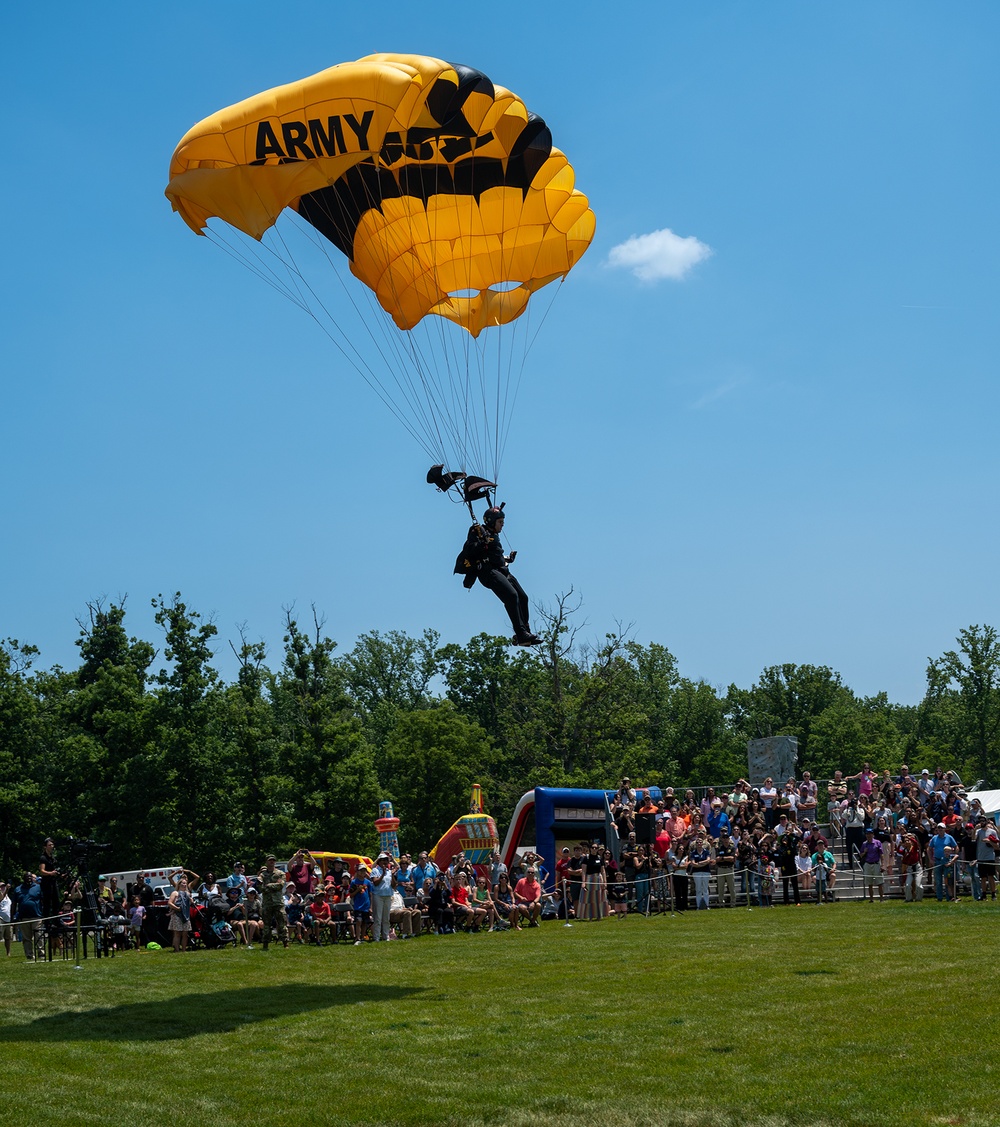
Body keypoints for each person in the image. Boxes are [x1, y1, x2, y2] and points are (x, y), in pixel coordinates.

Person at [459, 505, 541, 645]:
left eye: (503, 522)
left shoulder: (494, 535)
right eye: (500, 522)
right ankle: (521, 634)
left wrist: (508, 559)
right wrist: (481, 542)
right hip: (488, 572)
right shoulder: (478, 531)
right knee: (511, 596)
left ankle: (524, 632)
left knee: (522, 597)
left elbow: (494, 554)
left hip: (501, 570)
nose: (502, 525)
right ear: (491, 521)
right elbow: (469, 550)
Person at [258, 855, 289, 949]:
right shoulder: (262, 875)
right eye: (270, 861)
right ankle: (265, 943)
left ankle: (285, 942)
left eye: (273, 861)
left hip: (278, 903)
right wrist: (272, 886)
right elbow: (261, 888)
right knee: (266, 924)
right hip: (267, 903)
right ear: (266, 862)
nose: (272, 862)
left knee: (282, 923)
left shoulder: (280, 873)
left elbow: (280, 885)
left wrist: (268, 885)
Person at [369, 852, 396, 941]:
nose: (384, 862)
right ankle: (376, 937)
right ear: (379, 861)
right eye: (383, 860)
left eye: (386, 860)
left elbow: (393, 885)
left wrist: (391, 875)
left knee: (386, 918)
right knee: (377, 918)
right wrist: (383, 874)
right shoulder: (375, 871)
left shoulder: (389, 871)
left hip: (387, 895)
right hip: (378, 896)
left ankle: (385, 936)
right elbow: (376, 883)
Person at [928, 823, 958, 902]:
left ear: (945, 829)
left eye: (941, 828)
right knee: (938, 880)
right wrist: (930, 859)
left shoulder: (949, 837)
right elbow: (929, 848)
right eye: (939, 828)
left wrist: (953, 856)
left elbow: (956, 846)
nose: (940, 830)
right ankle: (939, 897)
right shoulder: (934, 838)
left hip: (947, 861)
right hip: (937, 861)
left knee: (947, 880)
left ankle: (949, 897)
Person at [167, 876, 194, 952]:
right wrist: (176, 908)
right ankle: (177, 950)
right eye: (182, 883)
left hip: (186, 915)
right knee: (177, 933)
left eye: (185, 883)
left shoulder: (188, 894)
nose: (184, 885)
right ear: (179, 884)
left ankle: (184, 950)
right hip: (177, 915)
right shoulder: (175, 893)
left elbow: (190, 903)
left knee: (185, 934)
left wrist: (191, 901)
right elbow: (169, 903)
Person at [858, 828, 885, 903]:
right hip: (868, 863)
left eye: (870, 834)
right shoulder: (864, 844)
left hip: (876, 863)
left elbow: (881, 854)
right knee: (869, 883)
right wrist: (864, 852)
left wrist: (882, 864)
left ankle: (881, 899)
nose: (869, 835)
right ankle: (871, 899)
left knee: (880, 882)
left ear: (873, 834)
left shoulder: (877, 842)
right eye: (867, 834)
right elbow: (861, 855)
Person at [39, 837, 62, 920]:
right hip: (46, 883)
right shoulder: (43, 858)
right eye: (49, 845)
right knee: (47, 903)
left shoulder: (53, 858)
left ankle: (56, 920)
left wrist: (60, 874)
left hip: (53, 882)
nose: (52, 846)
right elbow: (42, 871)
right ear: (45, 847)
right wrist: (51, 873)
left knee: (56, 901)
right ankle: (47, 921)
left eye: (52, 845)